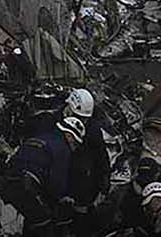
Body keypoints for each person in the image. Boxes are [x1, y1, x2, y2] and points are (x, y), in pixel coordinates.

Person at [1, 114, 85, 236]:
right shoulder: (62, 148)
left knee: (32, 220)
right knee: (44, 225)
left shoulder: (40, 138)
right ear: (69, 136)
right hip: (26, 187)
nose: (74, 149)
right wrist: (63, 198)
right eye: (76, 144)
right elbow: (56, 184)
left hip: (7, 182)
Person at [63, 88, 111, 230]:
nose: (81, 122)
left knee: (80, 219)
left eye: (84, 118)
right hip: (59, 179)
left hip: (82, 183)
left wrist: (104, 183)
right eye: (79, 117)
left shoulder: (93, 130)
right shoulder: (53, 121)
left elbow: (101, 156)